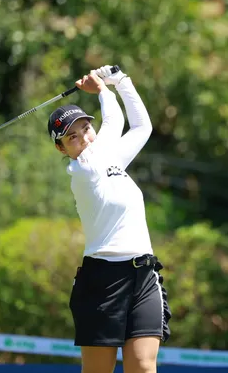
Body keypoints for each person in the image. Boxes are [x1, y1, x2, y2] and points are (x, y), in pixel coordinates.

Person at [47, 66, 171, 373]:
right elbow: (114, 122)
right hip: (103, 280)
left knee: (143, 366)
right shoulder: (84, 169)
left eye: (86, 128)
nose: (84, 138)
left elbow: (141, 127)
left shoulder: (110, 161)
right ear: (61, 148)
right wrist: (102, 89)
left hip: (143, 274)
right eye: (72, 136)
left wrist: (121, 81)